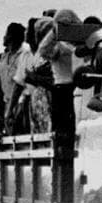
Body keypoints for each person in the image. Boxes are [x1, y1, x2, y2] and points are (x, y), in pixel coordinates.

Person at [39, 9, 81, 139]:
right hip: (62, 88)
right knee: (62, 129)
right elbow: (43, 51)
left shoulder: (80, 42)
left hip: (78, 86)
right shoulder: (58, 45)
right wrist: (55, 32)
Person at [0, 23, 33, 136]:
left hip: (21, 103)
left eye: (6, 34)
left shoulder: (25, 54)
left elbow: (20, 84)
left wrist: (13, 108)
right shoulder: (4, 57)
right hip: (8, 104)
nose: (4, 37)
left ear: (12, 37)